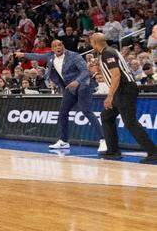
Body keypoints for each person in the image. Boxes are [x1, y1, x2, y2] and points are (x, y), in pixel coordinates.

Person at [16, 40, 106, 152]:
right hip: (70, 88)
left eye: (60, 45)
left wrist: (77, 81)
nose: (58, 47)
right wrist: (24, 54)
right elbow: (37, 56)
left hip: (83, 85)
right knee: (63, 112)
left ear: (63, 46)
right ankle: (64, 141)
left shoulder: (74, 56)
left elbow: (84, 71)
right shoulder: (50, 56)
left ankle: (103, 140)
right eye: (55, 46)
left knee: (86, 111)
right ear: (52, 49)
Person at [91, 33, 157, 163]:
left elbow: (116, 75)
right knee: (106, 116)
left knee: (130, 122)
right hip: (121, 90)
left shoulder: (107, 53)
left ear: (95, 43)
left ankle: (153, 152)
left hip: (124, 89)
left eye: (91, 43)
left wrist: (109, 96)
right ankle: (113, 150)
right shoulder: (109, 51)